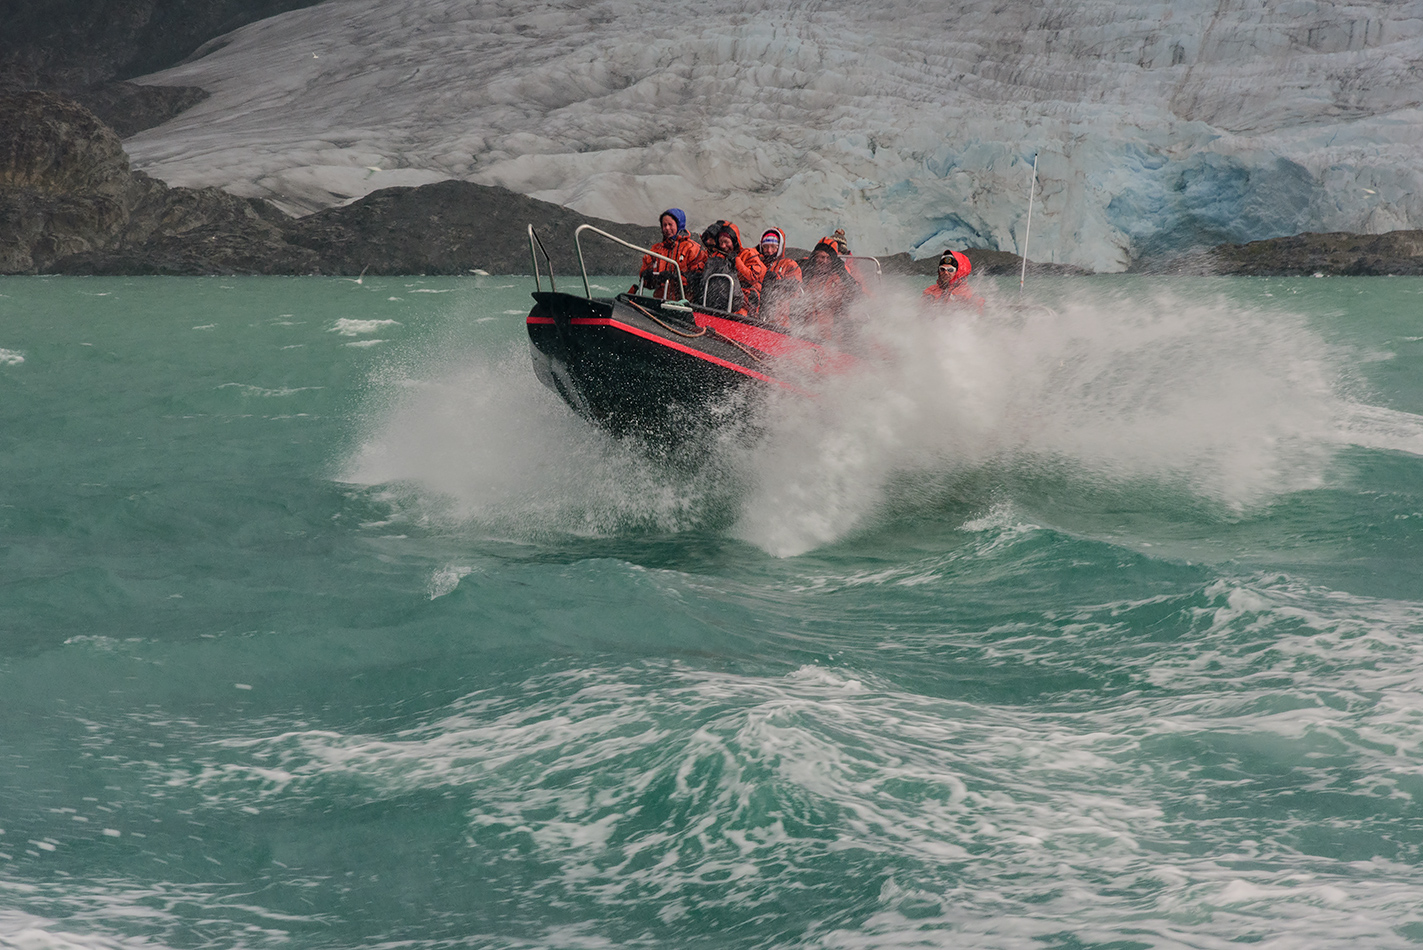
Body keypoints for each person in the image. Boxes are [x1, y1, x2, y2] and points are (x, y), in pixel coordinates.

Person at [797, 238, 861, 340]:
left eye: (828, 258)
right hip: (805, 332)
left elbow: (854, 294)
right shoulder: (805, 272)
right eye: (821, 257)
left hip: (829, 335)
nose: (824, 261)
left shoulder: (839, 277)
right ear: (815, 257)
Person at [639, 208, 706, 300]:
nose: (667, 228)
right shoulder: (656, 250)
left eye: (670, 225)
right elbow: (646, 282)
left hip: (684, 302)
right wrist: (649, 276)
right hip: (659, 302)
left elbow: (698, 280)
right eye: (664, 225)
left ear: (679, 225)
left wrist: (676, 278)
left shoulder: (692, 249)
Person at [756, 227, 802, 327]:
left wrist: (775, 281)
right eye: (765, 247)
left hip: (781, 319)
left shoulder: (789, 264)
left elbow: (795, 287)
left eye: (773, 247)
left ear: (779, 247)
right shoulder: (757, 263)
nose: (769, 250)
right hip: (757, 315)